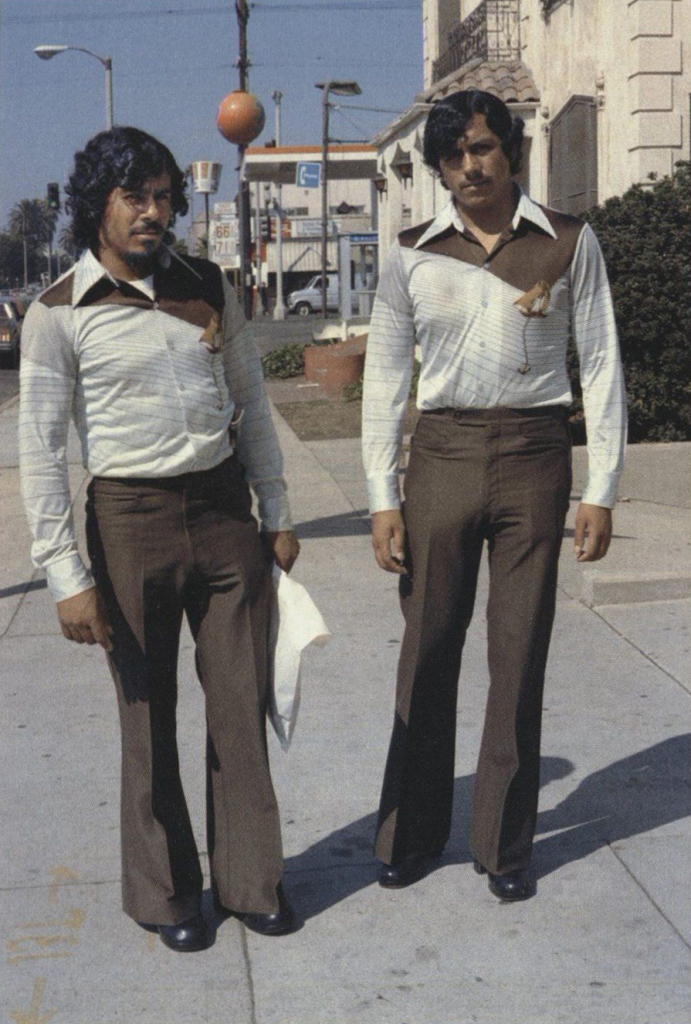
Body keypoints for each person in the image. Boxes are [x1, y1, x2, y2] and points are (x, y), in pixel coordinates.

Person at [19, 127, 300, 949]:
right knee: (148, 720)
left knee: (239, 710)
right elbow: (39, 452)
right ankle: (166, 895)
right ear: (96, 204)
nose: (154, 212)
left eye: (164, 196)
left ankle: (252, 883)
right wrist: (65, 573)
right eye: (134, 196)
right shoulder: (59, 312)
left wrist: (276, 513)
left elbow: (251, 399)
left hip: (221, 518)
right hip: (129, 522)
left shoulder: (206, 284)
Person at [362, 90, 626, 901]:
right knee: (429, 645)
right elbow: (385, 374)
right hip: (440, 454)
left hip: (534, 454)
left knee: (518, 652)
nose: (467, 166)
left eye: (480, 148)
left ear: (510, 150)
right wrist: (380, 492)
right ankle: (409, 836)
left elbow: (603, 363)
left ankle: (504, 849)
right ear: (438, 167)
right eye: (451, 155)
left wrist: (601, 487)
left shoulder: (568, 243)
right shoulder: (411, 252)